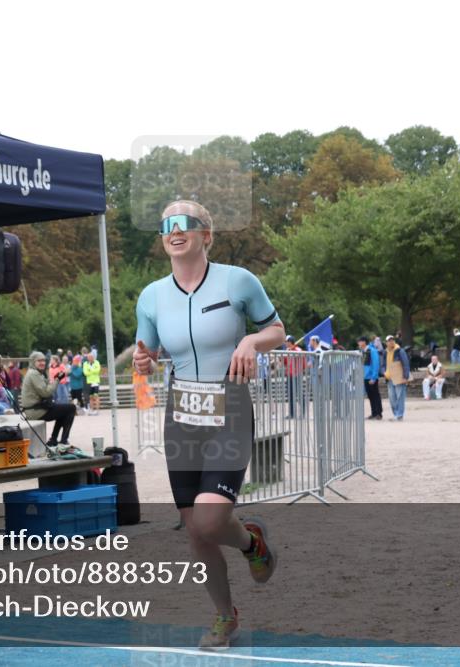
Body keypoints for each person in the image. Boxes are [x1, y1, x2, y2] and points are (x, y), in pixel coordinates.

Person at [133, 199, 284, 651]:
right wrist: (143, 360)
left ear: (207, 235)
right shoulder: (151, 296)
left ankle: (251, 542)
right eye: (167, 225)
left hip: (229, 408)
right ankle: (224, 616)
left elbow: (276, 331)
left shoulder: (238, 280)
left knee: (211, 518)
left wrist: (252, 341)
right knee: (195, 529)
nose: (175, 230)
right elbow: (147, 351)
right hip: (181, 416)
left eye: (186, 223)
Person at [20, 351, 76, 447]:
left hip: (35, 409)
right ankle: (63, 441)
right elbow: (46, 393)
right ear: (33, 362)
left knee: (63, 410)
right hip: (35, 411)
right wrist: (57, 380)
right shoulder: (34, 374)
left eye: (43, 360)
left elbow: (45, 387)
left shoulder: (35, 372)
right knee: (71, 408)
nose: (42, 363)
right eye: (39, 361)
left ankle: (54, 440)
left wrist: (54, 379)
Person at [382, 335, 410, 420]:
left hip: (399, 377)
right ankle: (396, 414)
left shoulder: (400, 351)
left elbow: (405, 364)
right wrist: (384, 372)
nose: (391, 342)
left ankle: (399, 415)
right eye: (389, 340)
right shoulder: (385, 352)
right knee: (392, 398)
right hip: (389, 378)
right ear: (386, 343)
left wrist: (405, 377)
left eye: (392, 340)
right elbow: (383, 364)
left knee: (400, 397)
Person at [358, 336, 383, 419]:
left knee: (375, 395)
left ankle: (378, 413)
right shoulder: (363, 351)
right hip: (365, 377)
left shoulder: (372, 350)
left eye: (360, 341)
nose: (358, 343)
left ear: (364, 342)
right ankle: (374, 413)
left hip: (371, 377)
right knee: (370, 396)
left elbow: (376, 364)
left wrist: (374, 377)